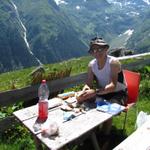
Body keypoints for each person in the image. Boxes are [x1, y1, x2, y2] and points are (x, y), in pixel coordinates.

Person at [76, 37, 127, 149]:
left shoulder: (113, 62)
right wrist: (85, 90)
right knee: (85, 105)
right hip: (103, 91)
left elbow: (113, 86)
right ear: (91, 53)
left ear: (106, 49)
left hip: (118, 93)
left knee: (107, 109)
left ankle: (104, 137)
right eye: (94, 50)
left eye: (100, 49)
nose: (97, 52)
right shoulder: (91, 65)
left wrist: (95, 92)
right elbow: (88, 83)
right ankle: (92, 132)